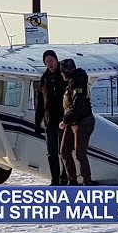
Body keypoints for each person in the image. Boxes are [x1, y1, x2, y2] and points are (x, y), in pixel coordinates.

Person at [58, 58, 97, 186]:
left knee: (80, 153)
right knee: (64, 150)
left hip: (82, 122)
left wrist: (65, 120)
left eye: (62, 72)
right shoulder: (73, 82)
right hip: (73, 121)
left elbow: (77, 106)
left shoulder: (77, 83)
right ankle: (72, 180)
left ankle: (87, 181)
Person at [34, 50, 68, 186]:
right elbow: (40, 104)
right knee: (51, 153)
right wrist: (37, 122)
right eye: (47, 62)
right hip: (50, 121)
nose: (49, 64)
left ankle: (65, 177)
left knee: (64, 151)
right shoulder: (44, 79)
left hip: (64, 120)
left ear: (56, 60)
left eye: (51, 61)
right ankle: (55, 180)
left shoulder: (64, 75)